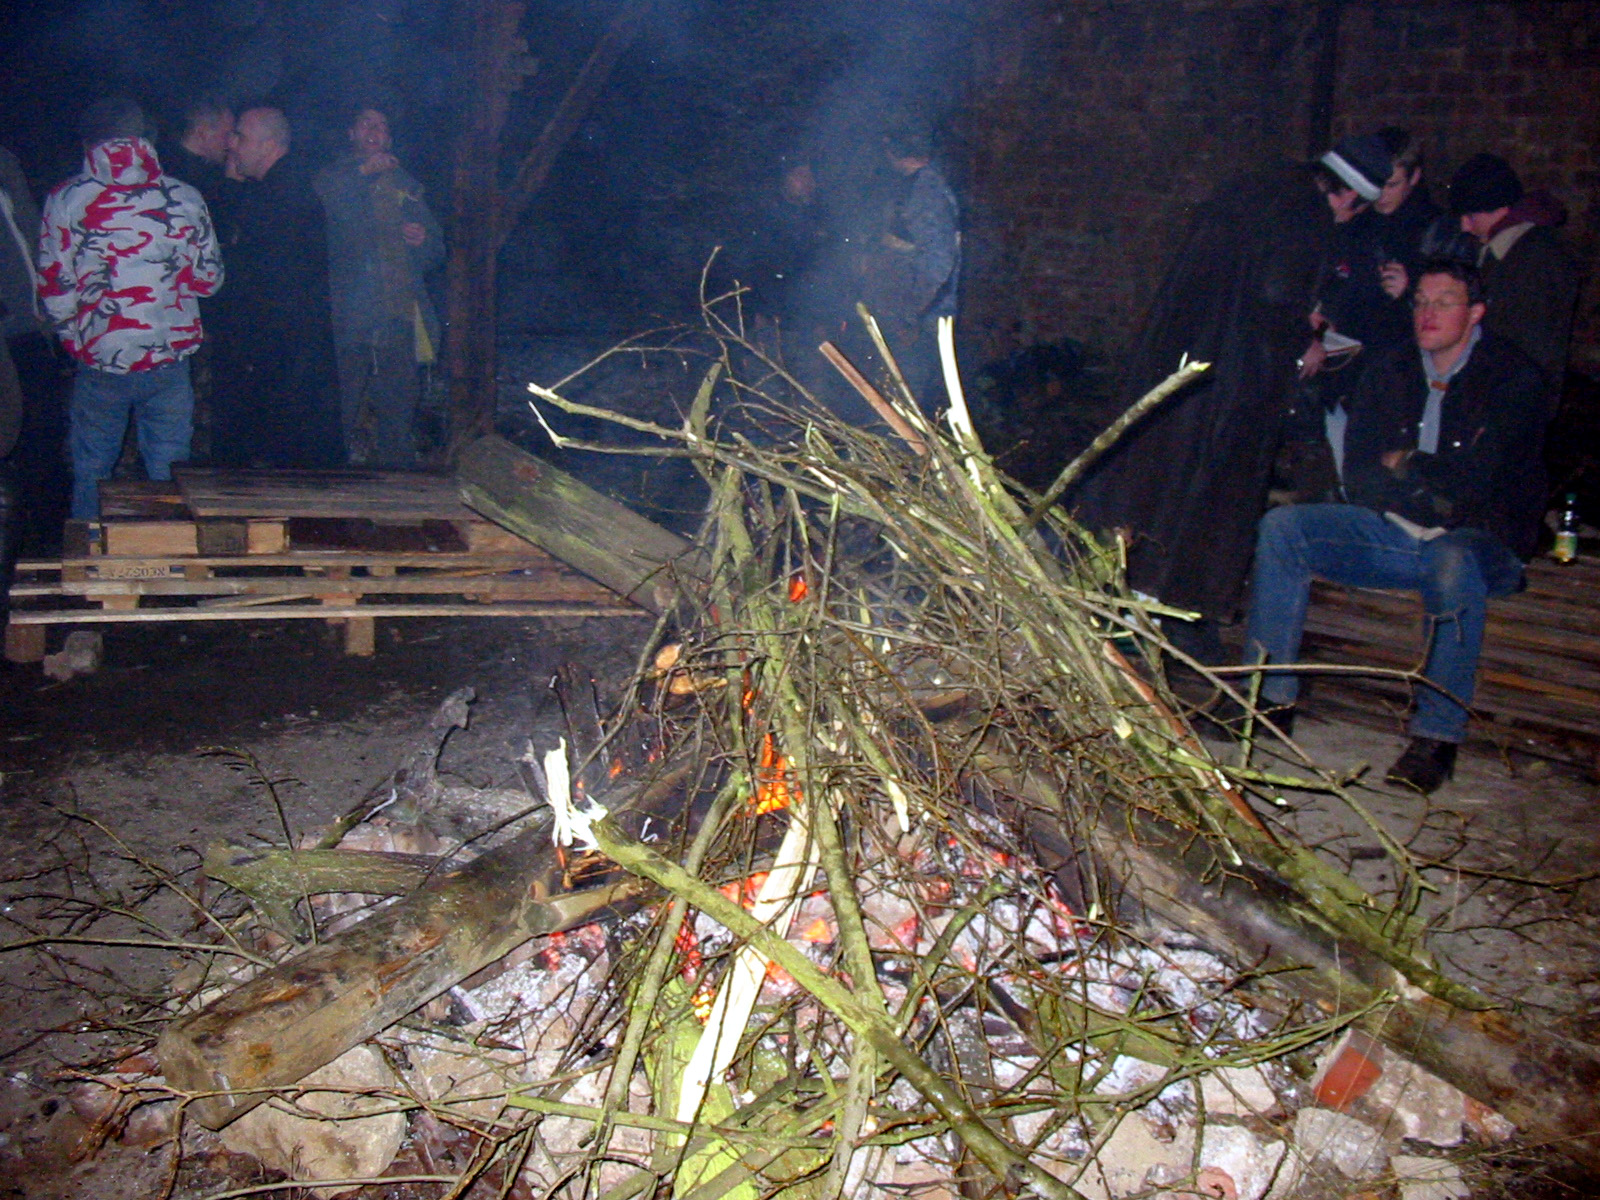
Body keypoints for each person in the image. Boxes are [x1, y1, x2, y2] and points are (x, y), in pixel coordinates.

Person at [1071, 136, 1388, 656]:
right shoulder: (1305, 217)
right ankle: (1141, 624)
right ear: (1350, 196)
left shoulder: (1257, 188)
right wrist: (1303, 339)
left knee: (1149, 495)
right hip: (1222, 390)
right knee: (1184, 506)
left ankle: (1122, 611)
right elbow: (1273, 299)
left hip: (1177, 368)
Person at [1243, 260, 1548, 793]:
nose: (1428, 313)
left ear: (1475, 313)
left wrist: (1408, 464)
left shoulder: (1512, 377)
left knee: (1450, 557)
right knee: (1285, 528)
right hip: (1398, 533)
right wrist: (1424, 482)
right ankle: (1268, 701)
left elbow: (1483, 483)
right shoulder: (1392, 367)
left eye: (1444, 302)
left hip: (1483, 543)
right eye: (1421, 302)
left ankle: (1436, 737)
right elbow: (1362, 473)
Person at [36, 97, 223, 521]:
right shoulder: (184, 197)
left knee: (92, 469)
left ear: (88, 143)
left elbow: (54, 286)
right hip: (169, 356)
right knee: (170, 471)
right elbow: (209, 281)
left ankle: (90, 548)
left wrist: (75, 338)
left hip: (101, 358)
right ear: (147, 140)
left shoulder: (65, 199)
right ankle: (167, 552)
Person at [207, 105, 341, 467]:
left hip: (283, 352)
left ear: (268, 145)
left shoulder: (282, 195)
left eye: (241, 137)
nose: (232, 145)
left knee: (285, 455)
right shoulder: (274, 190)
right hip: (286, 350)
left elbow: (258, 274)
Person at [314, 103, 442, 467]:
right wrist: (363, 172)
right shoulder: (330, 178)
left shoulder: (405, 184)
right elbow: (326, 214)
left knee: (399, 408)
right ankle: (326, 477)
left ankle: (397, 484)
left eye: (382, 127)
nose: (375, 132)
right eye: (367, 124)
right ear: (351, 133)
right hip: (345, 314)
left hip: (397, 310)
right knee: (340, 404)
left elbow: (437, 248)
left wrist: (422, 240)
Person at [1449, 153, 1579, 417]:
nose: (1464, 226)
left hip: (1514, 404)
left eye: (1471, 215)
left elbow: (1530, 347)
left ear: (1499, 210)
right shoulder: (1499, 252)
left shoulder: (1535, 258)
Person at [863, 116, 959, 416]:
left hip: (921, 323)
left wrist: (910, 317)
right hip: (911, 316)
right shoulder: (916, 186)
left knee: (905, 406)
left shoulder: (927, 193)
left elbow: (938, 263)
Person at [163, 97, 234, 201]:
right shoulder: (198, 180)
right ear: (203, 132)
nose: (231, 143)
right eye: (227, 135)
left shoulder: (164, 160)